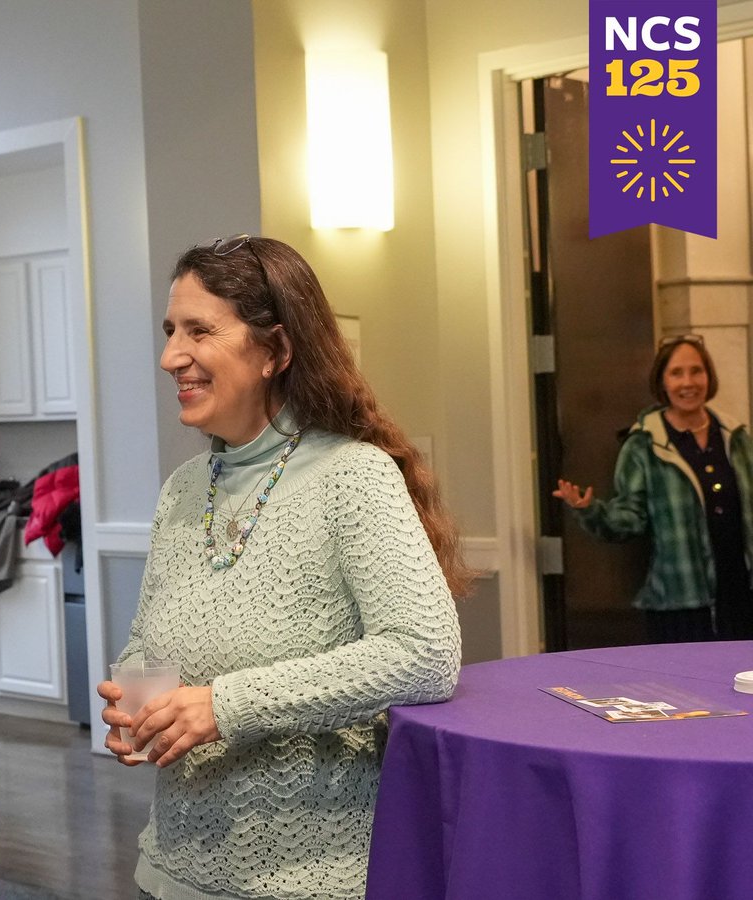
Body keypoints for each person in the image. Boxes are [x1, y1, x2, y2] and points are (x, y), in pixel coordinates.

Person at [96, 235, 467, 900]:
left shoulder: (353, 477)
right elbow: (150, 642)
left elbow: (426, 654)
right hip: (170, 871)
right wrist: (138, 702)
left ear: (275, 351)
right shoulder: (182, 488)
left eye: (199, 331)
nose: (170, 355)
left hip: (312, 881)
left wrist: (226, 706)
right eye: (170, 330)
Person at [554, 334, 753, 643]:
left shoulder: (736, 436)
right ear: (662, 381)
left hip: (742, 595)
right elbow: (629, 519)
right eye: (676, 373)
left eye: (696, 371)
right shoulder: (644, 444)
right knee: (686, 689)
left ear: (708, 376)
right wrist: (589, 510)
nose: (688, 382)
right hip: (679, 602)